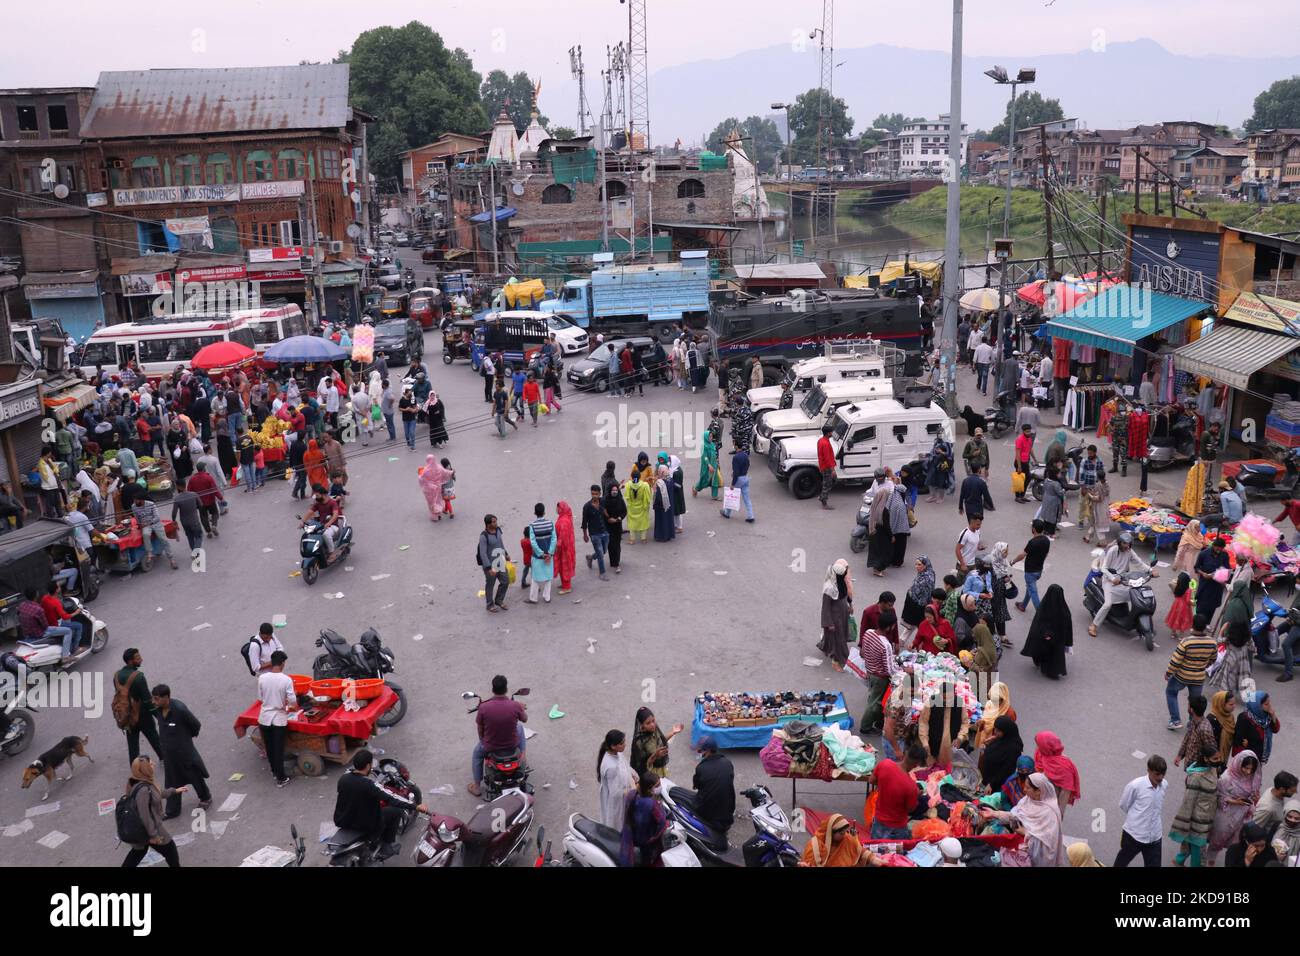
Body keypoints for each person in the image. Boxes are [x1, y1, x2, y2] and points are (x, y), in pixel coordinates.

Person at [336, 749, 429, 860]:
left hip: (342, 820)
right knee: (395, 811)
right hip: (364, 824)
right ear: (368, 765)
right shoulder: (370, 785)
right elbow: (392, 798)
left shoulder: (343, 779)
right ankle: (387, 845)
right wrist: (415, 806)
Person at [979, 772, 1068, 867]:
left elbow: (1047, 845)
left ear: (1038, 791)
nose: (1024, 790)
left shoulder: (1050, 813)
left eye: (1028, 788)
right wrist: (994, 814)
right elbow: (1014, 816)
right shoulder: (1027, 800)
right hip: (1022, 853)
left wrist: (1025, 833)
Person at [151, 684, 212, 820]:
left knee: (194, 776)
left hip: (185, 753)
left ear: (166, 697)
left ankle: (205, 797)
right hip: (169, 755)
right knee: (172, 781)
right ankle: (172, 810)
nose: (153, 702)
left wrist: (185, 739)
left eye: (156, 699)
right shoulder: (159, 710)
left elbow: (195, 725)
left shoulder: (179, 709)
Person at [468, 675, 527, 798]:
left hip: (491, 747)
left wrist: (483, 741)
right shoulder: (515, 705)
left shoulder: (483, 707)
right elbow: (525, 719)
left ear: (493, 689)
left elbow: (480, 728)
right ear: (506, 688)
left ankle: (477, 787)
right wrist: (520, 708)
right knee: (520, 727)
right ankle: (523, 758)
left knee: (477, 754)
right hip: (512, 745)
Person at [120, 756, 185, 868]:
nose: (153, 764)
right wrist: (153, 835)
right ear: (145, 769)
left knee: (138, 852)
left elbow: (156, 794)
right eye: (150, 764)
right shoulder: (144, 790)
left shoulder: (136, 781)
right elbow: (145, 815)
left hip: (139, 830)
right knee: (170, 849)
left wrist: (174, 791)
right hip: (149, 829)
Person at [1089, 532, 1154, 637]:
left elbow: (1139, 563)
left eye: (1128, 544)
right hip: (1109, 581)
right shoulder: (1113, 551)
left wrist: (1151, 570)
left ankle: (1134, 619)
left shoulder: (1130, 551)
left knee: (1136, 594)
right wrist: (1112, 578)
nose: (1127, 546)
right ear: (1119, 543)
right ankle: (1094, 625)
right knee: (1107, 604)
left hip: (1124, 580)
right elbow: (1104, 568)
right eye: (1124, 543)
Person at [1113, 755, 1169, 867]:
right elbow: (1124, 804)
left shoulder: (1164, 785)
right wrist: (1137, 818)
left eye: (1163, 774)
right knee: (1121, 862)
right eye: (1157, 774)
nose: (1160, 777)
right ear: (1148, 770)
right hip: (1134, 835)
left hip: (1155, 837)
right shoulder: (1135, 786)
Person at [1208, 751, 1262, 865]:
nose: (1248, 772)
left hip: (1242, 815)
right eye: (1246, 768)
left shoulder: (1253, 778)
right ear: (1239, 764)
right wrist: (1235, 801)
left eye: (1251, 769)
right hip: (1226, 813)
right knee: (1217, 839)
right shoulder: (1226, 778)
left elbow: (1254, 795)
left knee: (1236, 842)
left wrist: (1256, 799)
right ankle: (1210, 861)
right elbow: (1218, 797)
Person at [1163, 613, 1216, 730]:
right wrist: (1203, 666)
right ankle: (1193, 723)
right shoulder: (1212, 642)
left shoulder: (1187, 642)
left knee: (1171, 692)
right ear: (1205, 627)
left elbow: (1176, 660)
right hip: (1198, 678)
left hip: (1182, 676)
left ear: (1193, 625)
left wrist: (1168, 672)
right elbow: (1213, 659)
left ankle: (1175, 720)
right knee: (1194, 701)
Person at [256, 650, 296, 788]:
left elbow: (260, 698)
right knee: (278, 749)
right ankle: (281, 778)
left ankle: (274, 771)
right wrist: (293, 708)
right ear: (283, 663)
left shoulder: (262, 678)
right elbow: (292, 701)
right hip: (278, 719)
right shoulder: (286, 680)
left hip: (264, 718)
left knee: (270, 747)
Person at [115, 648, 163, 763]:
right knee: (153, 737)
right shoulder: (138, 677)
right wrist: (159, 717)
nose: (141, 659)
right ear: (130, 661)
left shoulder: (117, 676)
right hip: (142, 715)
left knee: (132, 743)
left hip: (126, 715)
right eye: (137, 658)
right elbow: (147, 701)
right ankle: (164, 757)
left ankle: (135, 767)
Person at [870, 744, 924, 840]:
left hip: (878, 821)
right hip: (897, 828)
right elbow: (910, 809)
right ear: (917, 764)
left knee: (875, 850)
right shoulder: (911, 786)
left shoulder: (885, 764)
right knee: (894, 854)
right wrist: (916, 795)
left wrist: (885, 786)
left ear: (905, 754)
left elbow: (872, 780)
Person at [22, 585, 80, 665]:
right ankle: (65, 657)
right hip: (41, 632)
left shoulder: (22, 606)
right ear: (36, 595)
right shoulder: (39, 609)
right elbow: (45, 626)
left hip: (28, 632)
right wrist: (76, 612)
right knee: (68, 631)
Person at [621, 772, 669, 867]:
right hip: (646, 843)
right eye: (657, 785)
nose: (660, 787)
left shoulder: (631, 795)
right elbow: (662, 824)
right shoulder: (652, 804)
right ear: (649, 788)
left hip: (631, 837)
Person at [799, 813, 883, 867]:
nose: (844, 835)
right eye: (841, 833)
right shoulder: (815, 845)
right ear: (831, 832)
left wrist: (873, 859)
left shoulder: (847, 838)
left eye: (845, 832)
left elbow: (860, 851)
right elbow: (808, 863)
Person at [691, 736, 735, 835]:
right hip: (728, 809)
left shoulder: (701, 768)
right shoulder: (727, 763)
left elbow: (697, 786)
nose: (699, 753)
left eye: (700, 751)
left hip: (709, 812)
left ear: (707, 751)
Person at [1204, 621, 1254, 704]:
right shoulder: (1247, 639)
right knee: (1245, 680)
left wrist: (1222, 629)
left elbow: (1218, 641)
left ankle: (1227, 698)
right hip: (1243, 664)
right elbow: (1253, 648)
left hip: (1230, 662)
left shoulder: (1229, 639)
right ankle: (1250, 701)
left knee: (1228, 680)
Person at [1034, 730, 1081, 816]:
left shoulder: (1064, 767)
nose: (1037, 747)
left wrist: (1058, 816)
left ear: (1046, 747)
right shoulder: (1041, 754)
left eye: (1039, 745)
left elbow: (1065, 793)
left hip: (1052, 802)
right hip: (1037, 798)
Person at [818, 559, 854, 670]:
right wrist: (829, 623)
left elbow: (844, 596)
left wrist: (849, 606)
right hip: (834, 618)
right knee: (838, 639)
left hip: (842, 613)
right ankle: (836, 661)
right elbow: (825, 608)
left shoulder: (840, 582)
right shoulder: (829, 588)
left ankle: (827, 649)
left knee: (837, 636)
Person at [597, 730, 637, 830]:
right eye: (621, 743)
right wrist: (633, 791)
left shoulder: (616, 753)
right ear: (613, 746)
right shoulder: (611, 767)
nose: (625, 744)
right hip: (617, 801)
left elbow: (624, 765)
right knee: (617, 823)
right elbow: (616, 793)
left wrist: (632, 774)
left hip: (623, 793)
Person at [630, 707, 683, 779]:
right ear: (641, 725)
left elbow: (662, 740)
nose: (652, 724)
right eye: (648, 723)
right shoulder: (639, 742)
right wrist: (655, 756)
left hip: (659, 768)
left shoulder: (654, 730)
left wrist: (673, 732)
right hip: (650, 772)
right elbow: (642, 765)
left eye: (653, 721)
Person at [1012, 519, 1051, 612]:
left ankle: (1040, 614)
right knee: (1030, 587)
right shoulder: (1047, 540)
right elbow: (1046, 554)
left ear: (1033, 529)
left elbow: (1022, 555)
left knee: (1033, 592)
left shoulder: (1032, 542)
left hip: (1030, 572)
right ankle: (1023, 605)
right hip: (1039, 570)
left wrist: (1013, 561)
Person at [979, 715, 1024, 794]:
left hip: (995, 786)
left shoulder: (1014, 749)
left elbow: (1006, 770)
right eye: (995, 729)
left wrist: (992, 784)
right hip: (986, 780)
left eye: (998, 731)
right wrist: (986, 746)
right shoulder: (1000, 739)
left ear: (1006, 731)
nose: (995, 732)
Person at [1234, 693, 1279, 765]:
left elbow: (1276, 729)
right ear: (1257, 706)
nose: (1270, 706)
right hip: (1248, 758)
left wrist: (1273, 716)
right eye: (1266, 704)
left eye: (1269, 703)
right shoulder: (1244, 718)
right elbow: (1238, 741)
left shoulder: (1267, 715)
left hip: (1260, 755)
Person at [477, 514, 510, 613]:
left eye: (496, 521)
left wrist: (506, 553)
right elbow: (482, 553)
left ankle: (499, 600)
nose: (496, 523)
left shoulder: (498, 530)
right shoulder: (484, 536)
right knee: (490, 585)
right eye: (494, 522)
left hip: (500, 561)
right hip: (490, 565)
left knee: (505, 581)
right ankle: (489, 604)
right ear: (488, 524)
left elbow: (501, 543)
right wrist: (488, 568)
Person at [1193, 536, 1231, 621]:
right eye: (1218, 548)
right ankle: (1197, 623)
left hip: (1217, 586)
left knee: (1212, 606)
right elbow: (1196, 567)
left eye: (1221, 548)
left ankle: (1207, 623)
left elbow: (1227, 569)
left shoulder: (1224, 555)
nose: (1219, 550)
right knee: (1201, 607)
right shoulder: (1203, 554)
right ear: (1213, 546)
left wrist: (1222, 575)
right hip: (1205, 585)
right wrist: (1203, 573)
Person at [524, 503, 555, 604]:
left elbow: (533, 542)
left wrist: (541, 554)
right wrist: (549, 553)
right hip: (549, 557)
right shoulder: (550, 523)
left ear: (535, 513)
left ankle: (533, 598)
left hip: (538, 557)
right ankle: (547, 597)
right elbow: (554, 539)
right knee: (548, 576)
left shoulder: (532, 526)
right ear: (544, 512)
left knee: (535, 577)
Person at [899, 555, 934, 643]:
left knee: (919, 624)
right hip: (916, 602)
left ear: (925, 565)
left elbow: (922, 592)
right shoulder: (926, 573)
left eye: (919, 565)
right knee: (912, 623)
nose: (917, 567)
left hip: (920, 605)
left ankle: (920, 643)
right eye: (916, 564)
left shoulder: (927, 578)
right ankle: (903, 639)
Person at [301, 484, 343, 554]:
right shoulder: (318, 504)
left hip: (333, 526)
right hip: (322, 526)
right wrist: (303, 521)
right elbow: (310, 512)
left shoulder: (332, 503)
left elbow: (335, 515)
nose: (316, 498)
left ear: (323, 495)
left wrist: (328, 523)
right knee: (310, 534)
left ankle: (332, 552)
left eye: (317, 496)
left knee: (325, 534)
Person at [719, 441, 754, 522]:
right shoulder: (745, 455)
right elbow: (748, 465)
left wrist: (732, 484)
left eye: (734, 444)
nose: (733, 446)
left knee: (731, 496)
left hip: (739, 479)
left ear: (737, 446)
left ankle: (727, 513)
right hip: (745, 478)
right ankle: (751, 516)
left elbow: (736, 473)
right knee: (747, 499)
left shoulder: (736, 457)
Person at [417, 455, 450, 522]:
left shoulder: (426, 470)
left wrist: (419, 474)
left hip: (429, 490)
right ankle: (439, 514)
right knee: (438, 501)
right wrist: (452, 472)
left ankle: (434, 517)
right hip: (437, 488)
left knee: (431, 503)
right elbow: (445, 472)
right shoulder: (439, 467)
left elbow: (421, 478)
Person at [602, 481, 625, 574]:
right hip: (608, 526)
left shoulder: (620, 500)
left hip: (617, 525)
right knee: (610, 544)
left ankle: (617, 562)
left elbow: (624, 511)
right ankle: (613, 562)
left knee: (617, 544)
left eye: (616, 490)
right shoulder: (605, 500)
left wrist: (619, 518)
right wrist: (608, 518)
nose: (614, 492)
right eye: (613, 490)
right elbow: (603, 510)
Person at [924, 432, 954, 503]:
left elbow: (949, 454)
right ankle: (933, 496)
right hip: (934, 463)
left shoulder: (947, 443)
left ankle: (941, 497)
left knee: (941, 482)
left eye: (941, 433)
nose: (940, 435)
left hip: (943, 465)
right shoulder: (936, 441)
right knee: (930, 480)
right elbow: (933, 452)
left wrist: (941, 452)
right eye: (939, 433)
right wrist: (927, 455)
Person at [623, 468, 652, 543]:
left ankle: (632, 539)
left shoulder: (628, 485)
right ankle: (643, 539)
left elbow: (627, 496)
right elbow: (648, 496)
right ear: (640, 477)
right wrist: (646, 505)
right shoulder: (644, 485)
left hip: (632, 506)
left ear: (632, 477)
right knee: (643, 522)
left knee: (631, 522)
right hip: (642, 506)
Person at [1037, 466, 1067, 536]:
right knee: (1053, 517)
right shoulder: (1056, 484)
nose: (1060, 475)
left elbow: (1044, 488)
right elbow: (1060, 493)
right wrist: (1063, 490)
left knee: (1046, 516)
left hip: (1046, 499)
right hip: (1054, 502)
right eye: (1059, 473)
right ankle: (1051, 533)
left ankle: (1045, 530)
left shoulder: (1046, 480)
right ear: (1055, 475)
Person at [652, 465, 676, 542]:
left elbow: (657, 496)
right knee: (668, 520)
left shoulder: (659, 483)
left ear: (661, 472)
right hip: (669, 505)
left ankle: (660, 536)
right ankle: (668, 535)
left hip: (661, 507)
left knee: (661, 522)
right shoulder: (670, 480)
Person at [815, 424, 837, 509]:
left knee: (829, 482)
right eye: (831, 432)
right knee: (827, 484)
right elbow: (827, 459)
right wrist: (832, 470)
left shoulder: (821, 440)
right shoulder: (825, 443)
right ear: (828, 433)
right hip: (827, 467)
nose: (832, 433)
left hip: (823, 466)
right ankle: (824, 501)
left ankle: (822, 497)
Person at [1013, 425, 1035, 502]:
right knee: (1019, 480)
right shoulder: (1020, 439)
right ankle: (1017, 497)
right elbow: (1018, 454)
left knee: (1027, 478)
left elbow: (1030, 449)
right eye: (1027, 432)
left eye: (1029, 431)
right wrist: (1019, 466)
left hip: (1026, 461)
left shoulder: (1029, 439)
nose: (1028, 433)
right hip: (1019, 462)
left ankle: (1022, 495)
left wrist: (1035, 459)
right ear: (1023, 431)